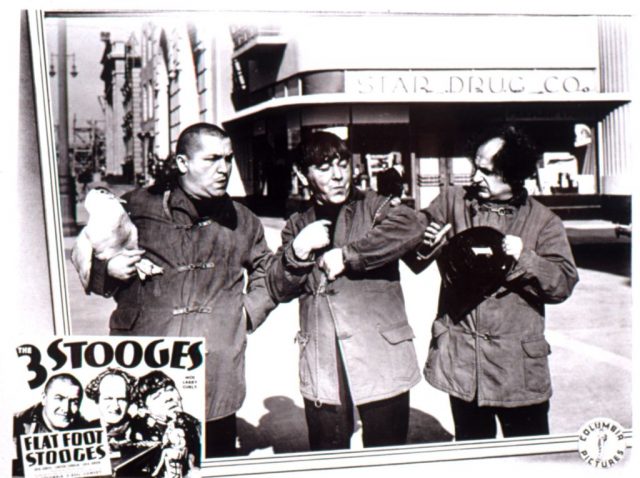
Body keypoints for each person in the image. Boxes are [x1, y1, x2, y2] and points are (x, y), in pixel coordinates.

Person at [77, 123, 276, 457]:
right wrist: (107, 269)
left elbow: (267, 272)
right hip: (146, 366)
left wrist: (246, 313)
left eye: (227, 159)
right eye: (212, 159)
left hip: (216, 373)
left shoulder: (243, 219)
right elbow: (86, 254)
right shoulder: (136, 208)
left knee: (213, 458)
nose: (224, 169)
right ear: (183, 163)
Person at [418, 124, 579, 440]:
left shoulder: (544, 222)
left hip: (517, 373)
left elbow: (561, 285)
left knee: (530, 462)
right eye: (476, 167)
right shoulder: (452, 201)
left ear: (514, 176)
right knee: (475, 459)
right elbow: (415, 241)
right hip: (465, 368)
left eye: (488, 172)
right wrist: (426, 243)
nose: (476, 177)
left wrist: (526, 258)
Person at [266, 131, 424, 451]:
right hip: (323, 359)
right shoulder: (297, 224)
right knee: (328, 456)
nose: (338, 176)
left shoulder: (376, 207)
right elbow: (279, 288)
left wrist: (349, 256)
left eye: (342, 165)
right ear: (302, 174)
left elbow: (412, 226)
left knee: (386, 459)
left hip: (381, 355)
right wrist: (297, 252)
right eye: (324, 168)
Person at [13, 373, 91, 476]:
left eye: (74, 402)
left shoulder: (86, 430)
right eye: (59, 398)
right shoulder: (15, 426)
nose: (66, 409)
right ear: (44, 398)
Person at [131, 371, 200, 475]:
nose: (168, 398)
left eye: (170, 390)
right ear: (144, 409)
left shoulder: (191, 423)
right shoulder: (137, 429)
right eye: (157, 396)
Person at [85, 368, 137, 445]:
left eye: (121, 399)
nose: (115, 406)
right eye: (108, 398)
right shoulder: (85, 430)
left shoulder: (142, 429)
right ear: (97, 399)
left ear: (129, 401)